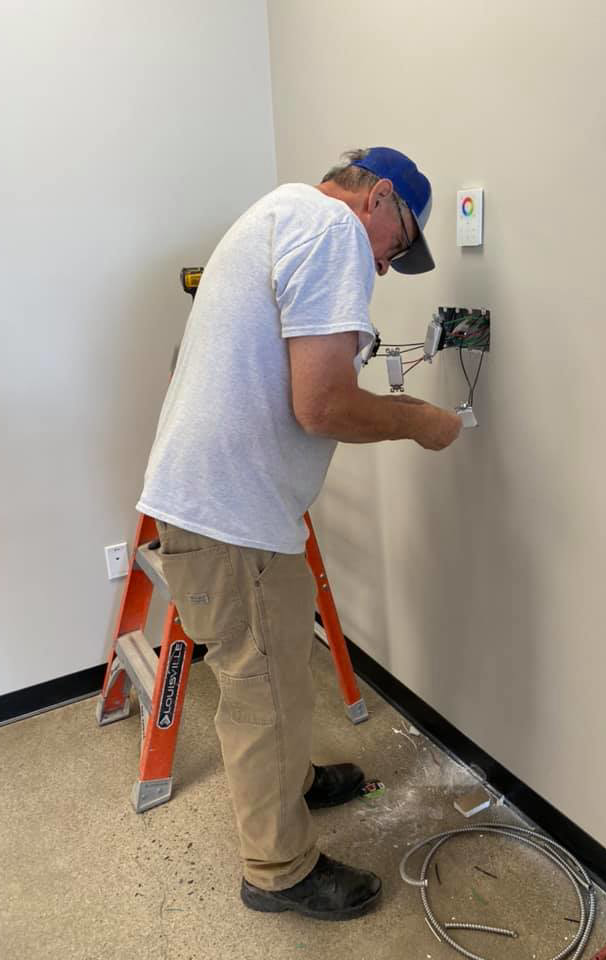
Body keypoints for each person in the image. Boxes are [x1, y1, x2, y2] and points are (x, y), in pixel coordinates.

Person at [136, 147, 462, 921]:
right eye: (398, 242)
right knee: (261, 688)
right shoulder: (334, 232)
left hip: (227, 505)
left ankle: (296, 781)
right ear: (377, 199)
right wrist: (420, 422)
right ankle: (277, 871)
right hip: (229, 513)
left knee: (279, 662)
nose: (385, 265)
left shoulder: (282, 213)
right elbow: (321, 405)